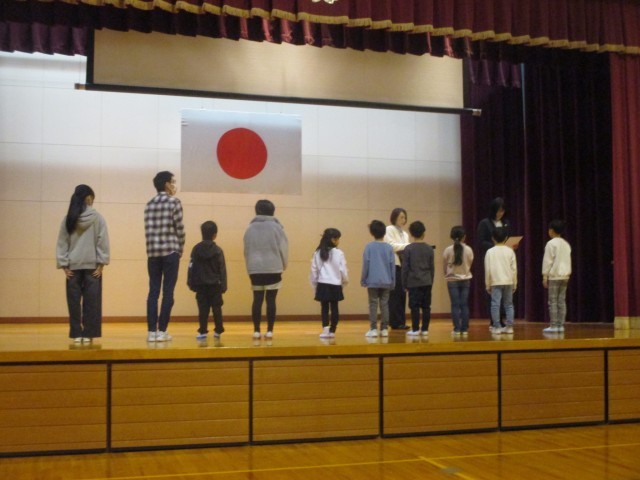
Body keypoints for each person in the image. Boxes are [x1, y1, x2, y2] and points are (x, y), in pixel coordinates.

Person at [56, 184, 110, 343]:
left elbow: (62, 242)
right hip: (93, 267)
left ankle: (76, 334)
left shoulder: (69, 218)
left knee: (73, 302)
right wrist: (101, 264)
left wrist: (64, 265)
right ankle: (88, 334)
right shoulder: (98, 218)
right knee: (92, 302)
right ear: (89, 198)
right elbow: (102, 241)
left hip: (72, 267)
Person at [144, 171, 185, 343]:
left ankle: (151, 332)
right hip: (170, 251)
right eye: (172, 181)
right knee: (168, 292)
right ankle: (162, 330)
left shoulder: (149, 204)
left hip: (153, 253)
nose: (174, 184)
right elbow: (180, 229)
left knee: (153, 291)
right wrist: (180, 248)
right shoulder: (174, 202)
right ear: (167, 184)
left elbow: (147, 231)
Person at [243, 199, 288, 339]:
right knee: (271, 300)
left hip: (255, 269)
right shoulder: (277, 228)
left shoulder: (250, 228)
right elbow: (284, 249)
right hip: (274, 268)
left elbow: (246, 250)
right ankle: (269, 331)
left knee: (257, 299)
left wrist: (250, 266)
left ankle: (256, 331)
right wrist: (283, 265)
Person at [477, 197, 514, 327]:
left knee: (507, 297)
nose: (500, 214)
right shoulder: (485, 223)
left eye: (502, 211)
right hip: (493, 259)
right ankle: (494, 320)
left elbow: (508, 238)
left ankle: (504, 319)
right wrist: (496, 246)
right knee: (494, 293)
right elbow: (481, 242)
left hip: (505, 260)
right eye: (498, 211)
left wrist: (510, 245)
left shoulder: (506, 222)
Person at [187, 221, 227, 341]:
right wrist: (224, 285)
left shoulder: (196, 249)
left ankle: (203, 331)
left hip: (200, 284)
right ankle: (218, 330)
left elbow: (191, 266)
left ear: (202, 233)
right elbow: (222, 269)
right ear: (215, 235)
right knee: (217, 308)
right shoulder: (218, 250)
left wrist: (190, 282)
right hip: (215, 285)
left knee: (202, 309)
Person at [310, 228, 349, 338]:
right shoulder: (339, 253)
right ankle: (332, 331)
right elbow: (343, 270)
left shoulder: (317, 253)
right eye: (337, 239)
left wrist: (314, 285)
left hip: (322, 283)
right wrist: (344, 282)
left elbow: (314, 271)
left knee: (324, 308)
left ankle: (325, 330)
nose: (338, 241)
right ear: (332, 239)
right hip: (335, 284)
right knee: (335, 307)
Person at [361, 220, 396, 338]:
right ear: (384, 232)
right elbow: (392, 266)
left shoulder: (369, 247)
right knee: (384, 304)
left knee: (373, 304)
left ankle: (373, 329)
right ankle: (384, 329)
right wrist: (393, 282)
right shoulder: (389, 248)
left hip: (372, 281)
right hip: (386, 280)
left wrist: (363, 279)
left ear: (372, 233)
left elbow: (366, 264)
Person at [401, 221, 434, 337]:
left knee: (414, 307)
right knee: (426, 306)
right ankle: (425, 329)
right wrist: (431, 281)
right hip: (426, 281)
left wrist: (404, 284)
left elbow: (405, 268)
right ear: (423, 233)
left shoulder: (408, 249)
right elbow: (432, 268)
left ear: (411, 234)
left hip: (413, 282)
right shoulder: (429, 249)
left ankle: (415, 329)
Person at [484, 227, 517, 335]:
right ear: (506, 238)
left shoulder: (490, 252)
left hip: (495, 281)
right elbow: (514, 269)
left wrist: (487, 284)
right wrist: (515, 283)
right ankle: (509, 327)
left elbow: (488, 269)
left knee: (495, 304)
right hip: (508, 281)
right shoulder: (510, 251)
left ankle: (497, 327)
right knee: (509, 305)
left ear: (493, 238)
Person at [443, 226, 474, 336]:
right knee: (464, 304)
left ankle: (456, 329)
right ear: (464, 237)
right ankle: (464, 329)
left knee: (455, 305)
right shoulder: (468, 249)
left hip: (452, 280)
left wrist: (446, 274)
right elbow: (470, 263)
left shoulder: (448, 250)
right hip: (465, 279)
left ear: (452, 236)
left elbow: (445, 265)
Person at [542, 219, 572, 333]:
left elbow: (548, 261)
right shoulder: (566, 244)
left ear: (551, 230)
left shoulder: (551, 244)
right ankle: (560, 325)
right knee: (561, 301)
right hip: (565, 276)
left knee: (553, 301)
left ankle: (554, 325)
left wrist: (545, 276)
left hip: (555, 276)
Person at [385, 207, 410, 330]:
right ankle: (394, 321)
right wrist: (408, 246)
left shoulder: (405, 233)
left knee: (402, 294)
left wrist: (407, 247)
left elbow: (405, 248)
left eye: (404, 217)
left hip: (403, 265)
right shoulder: (389, 229)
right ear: (394, 217)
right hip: (394, 265)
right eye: (401, 217)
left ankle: (401, 321)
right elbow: (390, 246)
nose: (403, 219)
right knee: (394, 294)